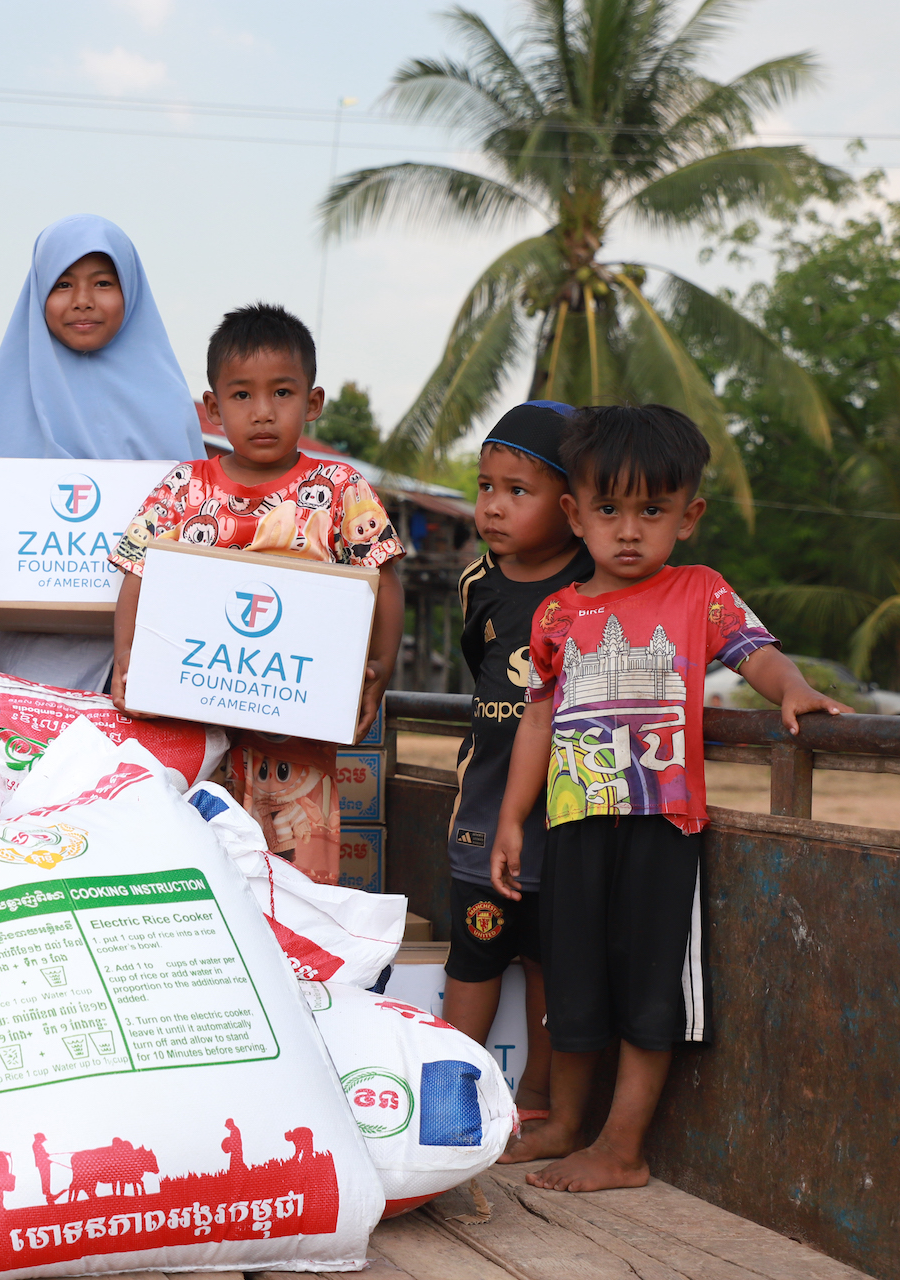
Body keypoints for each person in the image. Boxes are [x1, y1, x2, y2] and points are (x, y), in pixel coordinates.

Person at [492, 404, 848, 1192]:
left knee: (650, 986)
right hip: (574, 822)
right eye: (609, 510)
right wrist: (513, 817)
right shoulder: (559, 614)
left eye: (652, 511)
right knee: (574, 982)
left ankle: (622, 1148)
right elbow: (538, 720)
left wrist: (794, 690)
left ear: (688, 517)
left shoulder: (699, 593)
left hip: (662, 825)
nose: (629, 531)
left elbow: (757, 654)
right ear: (574, 514)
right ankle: (566, 1125)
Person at [107, 305, 405, 883]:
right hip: (191, 735)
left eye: (282, 393)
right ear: (214, 408)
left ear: (312, 403)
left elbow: (382, 579)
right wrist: (127, 658)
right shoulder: (183, 488)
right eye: (242, 395)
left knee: (296, 888)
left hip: (297, 745)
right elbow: (139, 574)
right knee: (195, 876)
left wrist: (380, 670)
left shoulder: (340, 489)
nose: (263, 411)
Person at [0, 214, 203, 691]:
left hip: (148, 659)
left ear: (131, 290)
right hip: (35, 657)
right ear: (37, 292)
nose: (82, 300)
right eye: (62, 284)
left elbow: (198, 531)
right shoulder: (5, 401)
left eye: (103, 282)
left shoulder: (169, 407)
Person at [440, 402, 592, 1126]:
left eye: (517, 491)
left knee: (546, 964)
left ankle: (534, 1100)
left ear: (571, 506)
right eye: (486, 487)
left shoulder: (595, 583)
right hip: (484, 808)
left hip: (566, 815)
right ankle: (452, 1098)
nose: (493, 507)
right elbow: (482, 665)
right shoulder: (479, 583)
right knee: (474, 952)